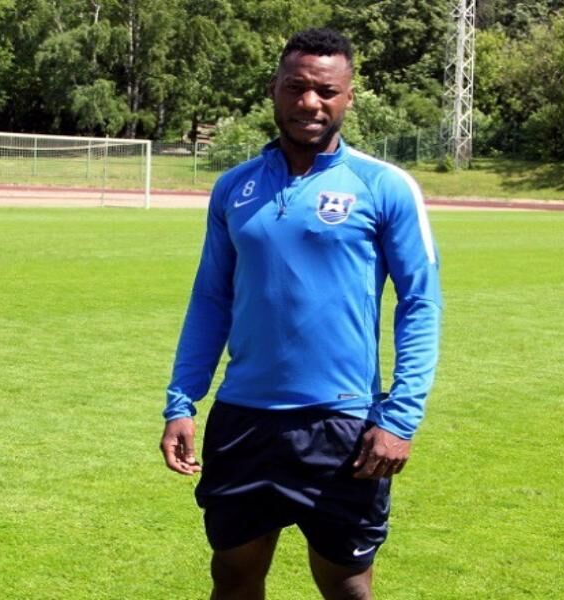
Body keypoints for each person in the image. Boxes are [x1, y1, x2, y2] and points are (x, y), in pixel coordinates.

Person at [160, 28, 441, 600]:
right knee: (233, 576)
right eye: (296, 87)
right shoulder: (234, 187)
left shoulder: (384, 186)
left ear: (348, 97)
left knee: (347, 586)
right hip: (244, 419)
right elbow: (211, 298)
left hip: (341, 423)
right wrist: (182, 400)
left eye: (326, 91)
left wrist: (400, 418)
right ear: (275, 89)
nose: (310, 102)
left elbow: (420, 303)